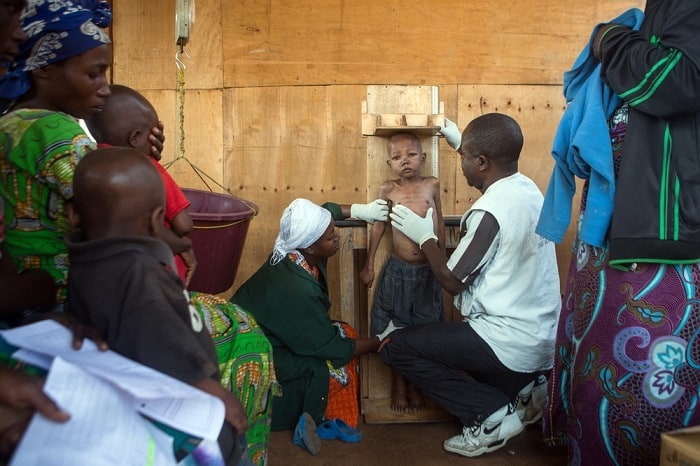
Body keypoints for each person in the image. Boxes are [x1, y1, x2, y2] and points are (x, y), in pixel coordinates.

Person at [537, 2, 700, 464]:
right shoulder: (659, 9)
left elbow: (678, 80)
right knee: (601, 350)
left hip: (663, 229)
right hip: (626, 222)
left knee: (637, 368)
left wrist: (609, 41)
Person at [381, 113, 561, 458]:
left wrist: (426, 237)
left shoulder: (489, 211)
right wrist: (462, 142)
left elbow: (452, 281)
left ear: (481, 162)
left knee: (395, 346)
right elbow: (489, 156)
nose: (461, 164)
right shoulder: (528, 189)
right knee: (456, 339)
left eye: (464, 158)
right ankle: (528, 388)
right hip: (541, 339)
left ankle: (490, 415)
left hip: (510, 340)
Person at [64, 147, 250, 465]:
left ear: (73, 214)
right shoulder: (139, 274)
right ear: (155, 222)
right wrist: (220, 397)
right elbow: (160, 342)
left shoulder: (85, 261)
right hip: (186, 415)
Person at [0, 0, 165, 309]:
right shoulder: (57, 133)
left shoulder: (9, 124)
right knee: (240, 327)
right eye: (94, 74)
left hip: (24, 289)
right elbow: (125, 213)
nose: (105, 88)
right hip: (71, 296)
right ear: (45, 69)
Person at [231, 198, 391, 455]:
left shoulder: (297, 251)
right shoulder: (297, 288)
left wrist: (362, 210)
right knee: (318, 365)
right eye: (330, 237)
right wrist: (379, 339)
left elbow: (326, 211)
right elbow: (328, 345)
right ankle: (311, 420)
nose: (336, 237)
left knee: (343, 331)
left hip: (274, 331)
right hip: (250, 350)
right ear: (311, 248)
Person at [360, 132, 445, 413]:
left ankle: (417, 384)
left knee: (425, 329)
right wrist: (369, 264)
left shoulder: (432, 185)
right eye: (397, 157)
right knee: (395, 327)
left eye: (410, 155)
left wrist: (443, 264)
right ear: (389, 163)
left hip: (427, 272)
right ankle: (399, 384)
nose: (404, 161)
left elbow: (439, 224)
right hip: (398, 272)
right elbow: (379, 225)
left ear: (423, 157)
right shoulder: (388, 190)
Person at [87, 84, 197, 286]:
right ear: (136, 137)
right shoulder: (148, 168)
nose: (156, 140)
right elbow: (184, 225)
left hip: (105, 271)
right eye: (153, 131)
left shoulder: (88, 164)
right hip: (156, 270)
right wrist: (185, 244)